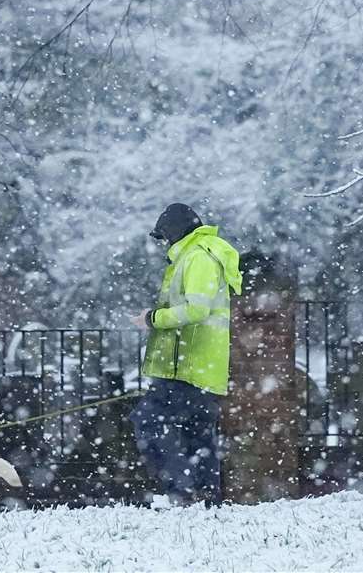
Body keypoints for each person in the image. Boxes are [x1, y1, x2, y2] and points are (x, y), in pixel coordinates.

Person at [129, 202, 241, 506]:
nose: (165, 245)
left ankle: (180, 491)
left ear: (175, 232)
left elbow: (197, 309)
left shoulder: (198, 257)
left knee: (149, 420)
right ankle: (206, 499)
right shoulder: (200, 254)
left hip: (188, 364)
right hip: (201, 365)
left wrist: (152, 319)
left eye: (165, 238)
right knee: (198, 434)